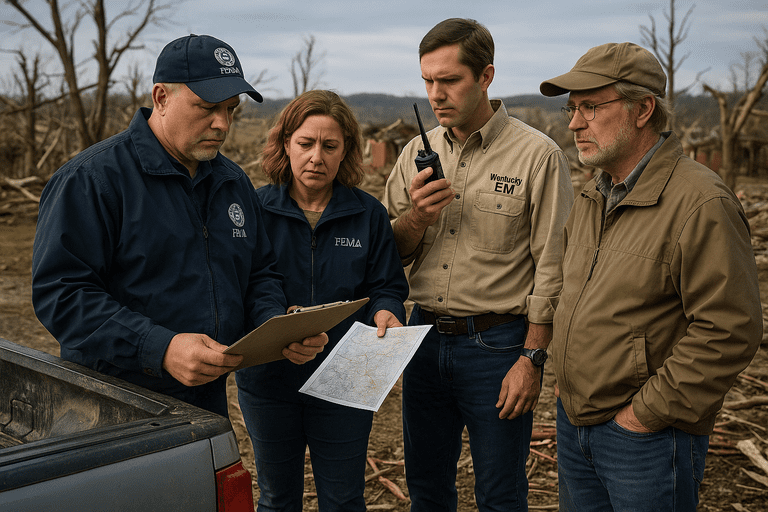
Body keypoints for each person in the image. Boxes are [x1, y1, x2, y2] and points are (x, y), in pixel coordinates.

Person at [32, 34, 328, 418]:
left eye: (230, 109)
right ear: (161, 97)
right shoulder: (93, 179)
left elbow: (258, 272)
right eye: (206, 107)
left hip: (205, 398)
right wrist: (161, 348)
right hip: (111, 402)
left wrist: (274, 325)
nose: (222, 123)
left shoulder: (232, 183)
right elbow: (62, 294)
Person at [539, 42, 763, 511]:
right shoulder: (593, 195)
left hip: (647, 439)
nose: (575, 123)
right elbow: (575, 293)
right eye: (572, 109)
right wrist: (565, 380)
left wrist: (644, 415)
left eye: (591, 107)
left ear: (643, 109)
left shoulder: (701, 203)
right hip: (575, 421)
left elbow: (729, 330)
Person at [383, 18, 573, 510]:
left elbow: (552, 268)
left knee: (500, 494)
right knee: (427, 490)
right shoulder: (413, 154)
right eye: (427, 80)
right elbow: (389, 254)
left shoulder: (537, 156)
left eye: (449, 80)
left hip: (498, 346)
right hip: (421, 340)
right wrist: (416, 218)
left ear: (486, 76)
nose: (435, 94)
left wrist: (531, 360)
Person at [235, 90, 409, 511]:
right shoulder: (253, 209)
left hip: (348, 377)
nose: (317, 157)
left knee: (344, 498)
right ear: (285, 145)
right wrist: (281, 323)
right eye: (305, 144)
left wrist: (388, 310)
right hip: (270, 380)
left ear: (346, 150)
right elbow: (245, 285)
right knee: (277, 498)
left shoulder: (368, 214)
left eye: (330, 146)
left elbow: (386, 284)